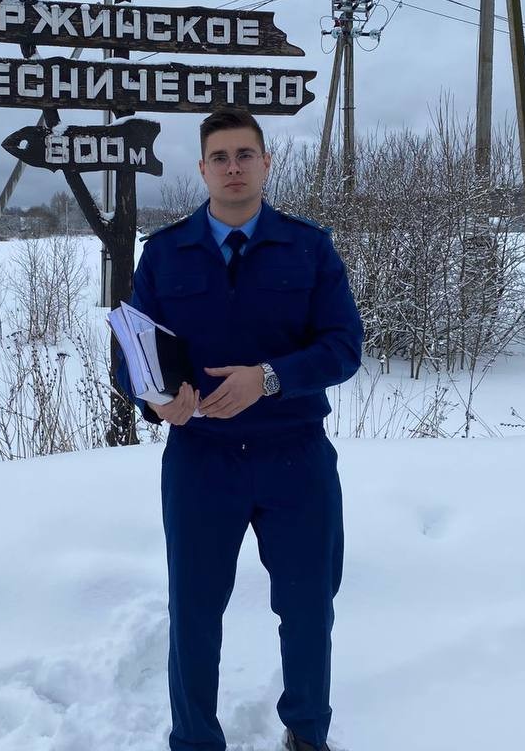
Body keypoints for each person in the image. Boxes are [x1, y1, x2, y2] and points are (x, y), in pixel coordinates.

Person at [120, 109, 364, 751]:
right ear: (203, 169)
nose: (234, 168)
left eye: (245, 155)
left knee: (308, 605)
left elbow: (344, 347)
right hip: (202, 460)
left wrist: (271, 378)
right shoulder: (165, 253)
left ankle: (307, 732)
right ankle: (195, 740)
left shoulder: (308, 248)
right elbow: (131, 353)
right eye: (221, 157)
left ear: (265, 163)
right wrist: (158, 401)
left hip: (296, 458)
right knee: (194, 611)